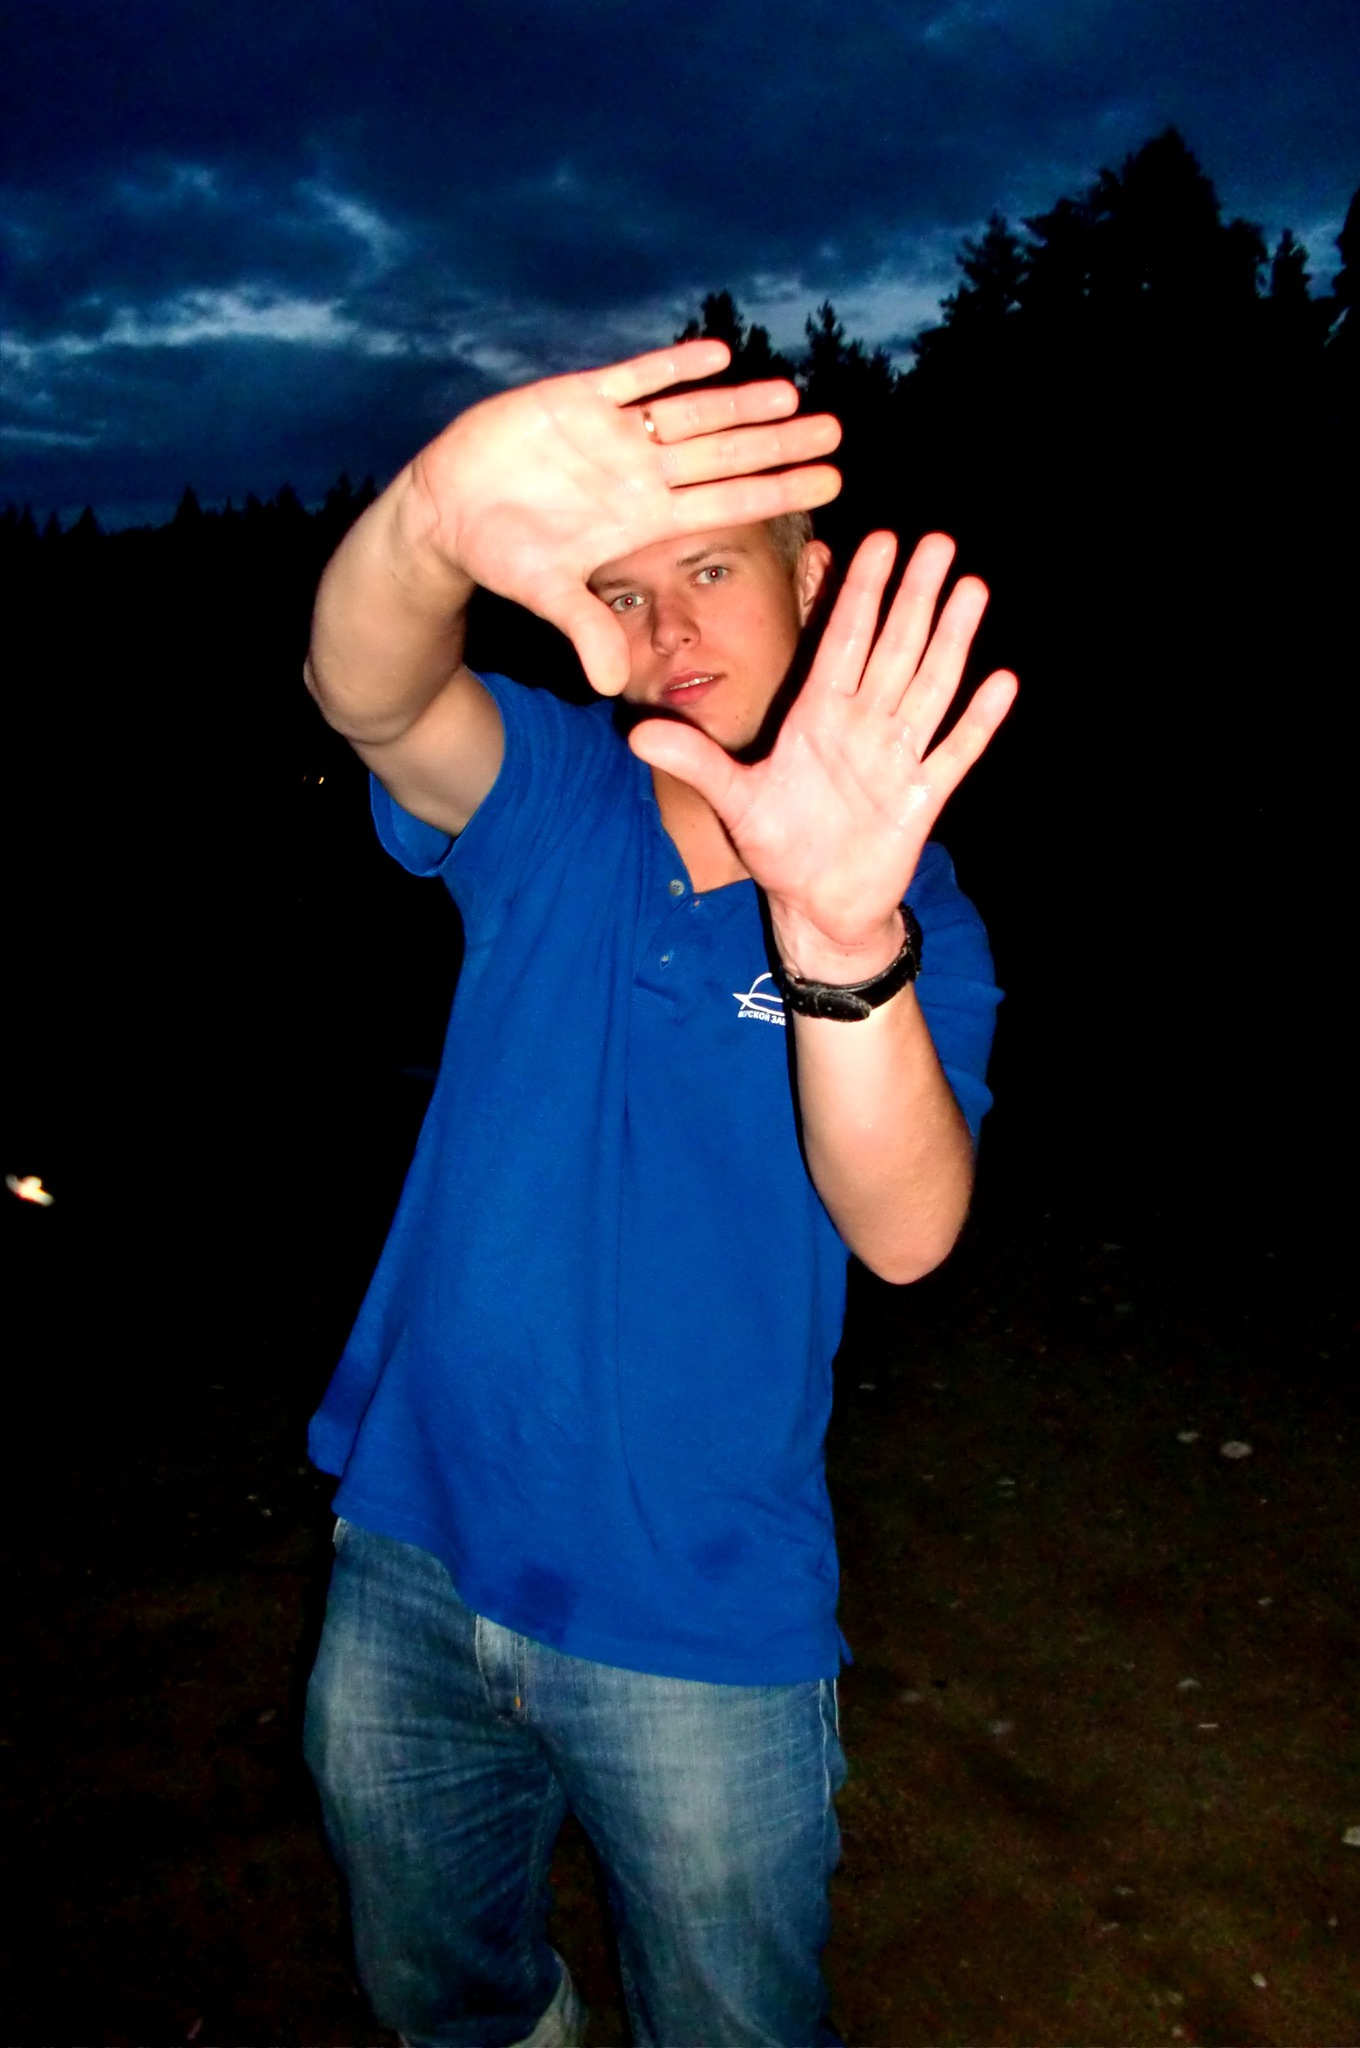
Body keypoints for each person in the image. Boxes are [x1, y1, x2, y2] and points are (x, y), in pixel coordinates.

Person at [302, 337, 1016, 2048]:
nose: (670, 627)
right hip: (414, 1540)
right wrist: (427, 517)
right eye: (624, 591)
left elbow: (909, 1229)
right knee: (444, 1995)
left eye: (711, 570)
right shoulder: (559, 795)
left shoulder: (915, 910)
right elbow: (371, 694)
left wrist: (838, 940)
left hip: (697, 1607)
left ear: (811, 578)